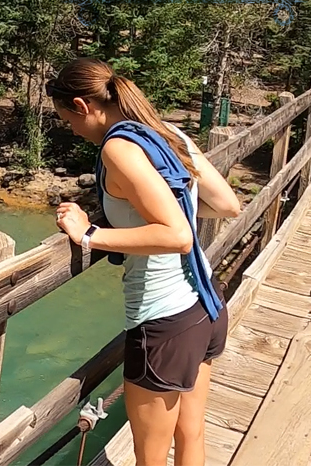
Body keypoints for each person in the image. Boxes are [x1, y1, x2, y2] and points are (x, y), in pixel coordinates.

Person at [46, 58, 241, 466]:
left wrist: (89, 234)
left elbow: (176, 236)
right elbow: (226, 204)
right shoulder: (169, 133)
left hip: (164, 320)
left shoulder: (118, 148)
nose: (73, 130)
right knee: (192, 436)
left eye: (68, 119)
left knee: (149, 458)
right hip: (206, 306)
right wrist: (156, 210)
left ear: (82, 106)